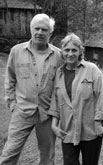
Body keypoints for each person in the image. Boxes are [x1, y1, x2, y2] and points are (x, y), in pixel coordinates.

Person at [0, 13, 62, 165]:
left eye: (44, 29)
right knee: (9, 153)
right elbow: (10, 78)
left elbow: (61, 86)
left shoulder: (58, 55)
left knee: (47, 157)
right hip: (22, 111)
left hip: (47, 113)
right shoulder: (17, 51)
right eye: (37, 28)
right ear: (31, 29)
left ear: (50, 32)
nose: (40, 32)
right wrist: (12, 103)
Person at [49, 33, 103, 165]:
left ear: (80, 51)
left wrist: (99, 123)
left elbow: (102, 95)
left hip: (90, 130)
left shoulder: (92, 70)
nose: (70, 54)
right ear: (62, 51)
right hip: (67, 131)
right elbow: (56, 101)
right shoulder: (58, 74)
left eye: (74, 50)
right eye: (67, 50)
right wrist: (54, 125)